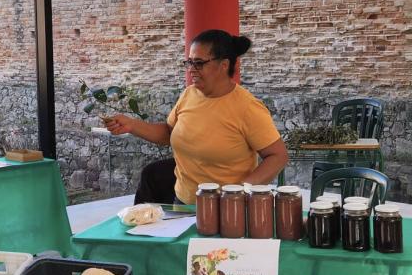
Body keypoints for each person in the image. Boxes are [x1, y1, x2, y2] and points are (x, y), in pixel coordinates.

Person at [106, 29, 289, 204]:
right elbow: (169, 133)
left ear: (224, 65)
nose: (191, 69)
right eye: (189, 62)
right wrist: (131, 125)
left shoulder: (247, 107)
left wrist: (239, 192)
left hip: (228, 208)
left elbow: (278, 156)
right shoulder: (189, 94)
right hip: (183, 202)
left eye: (199, 63)